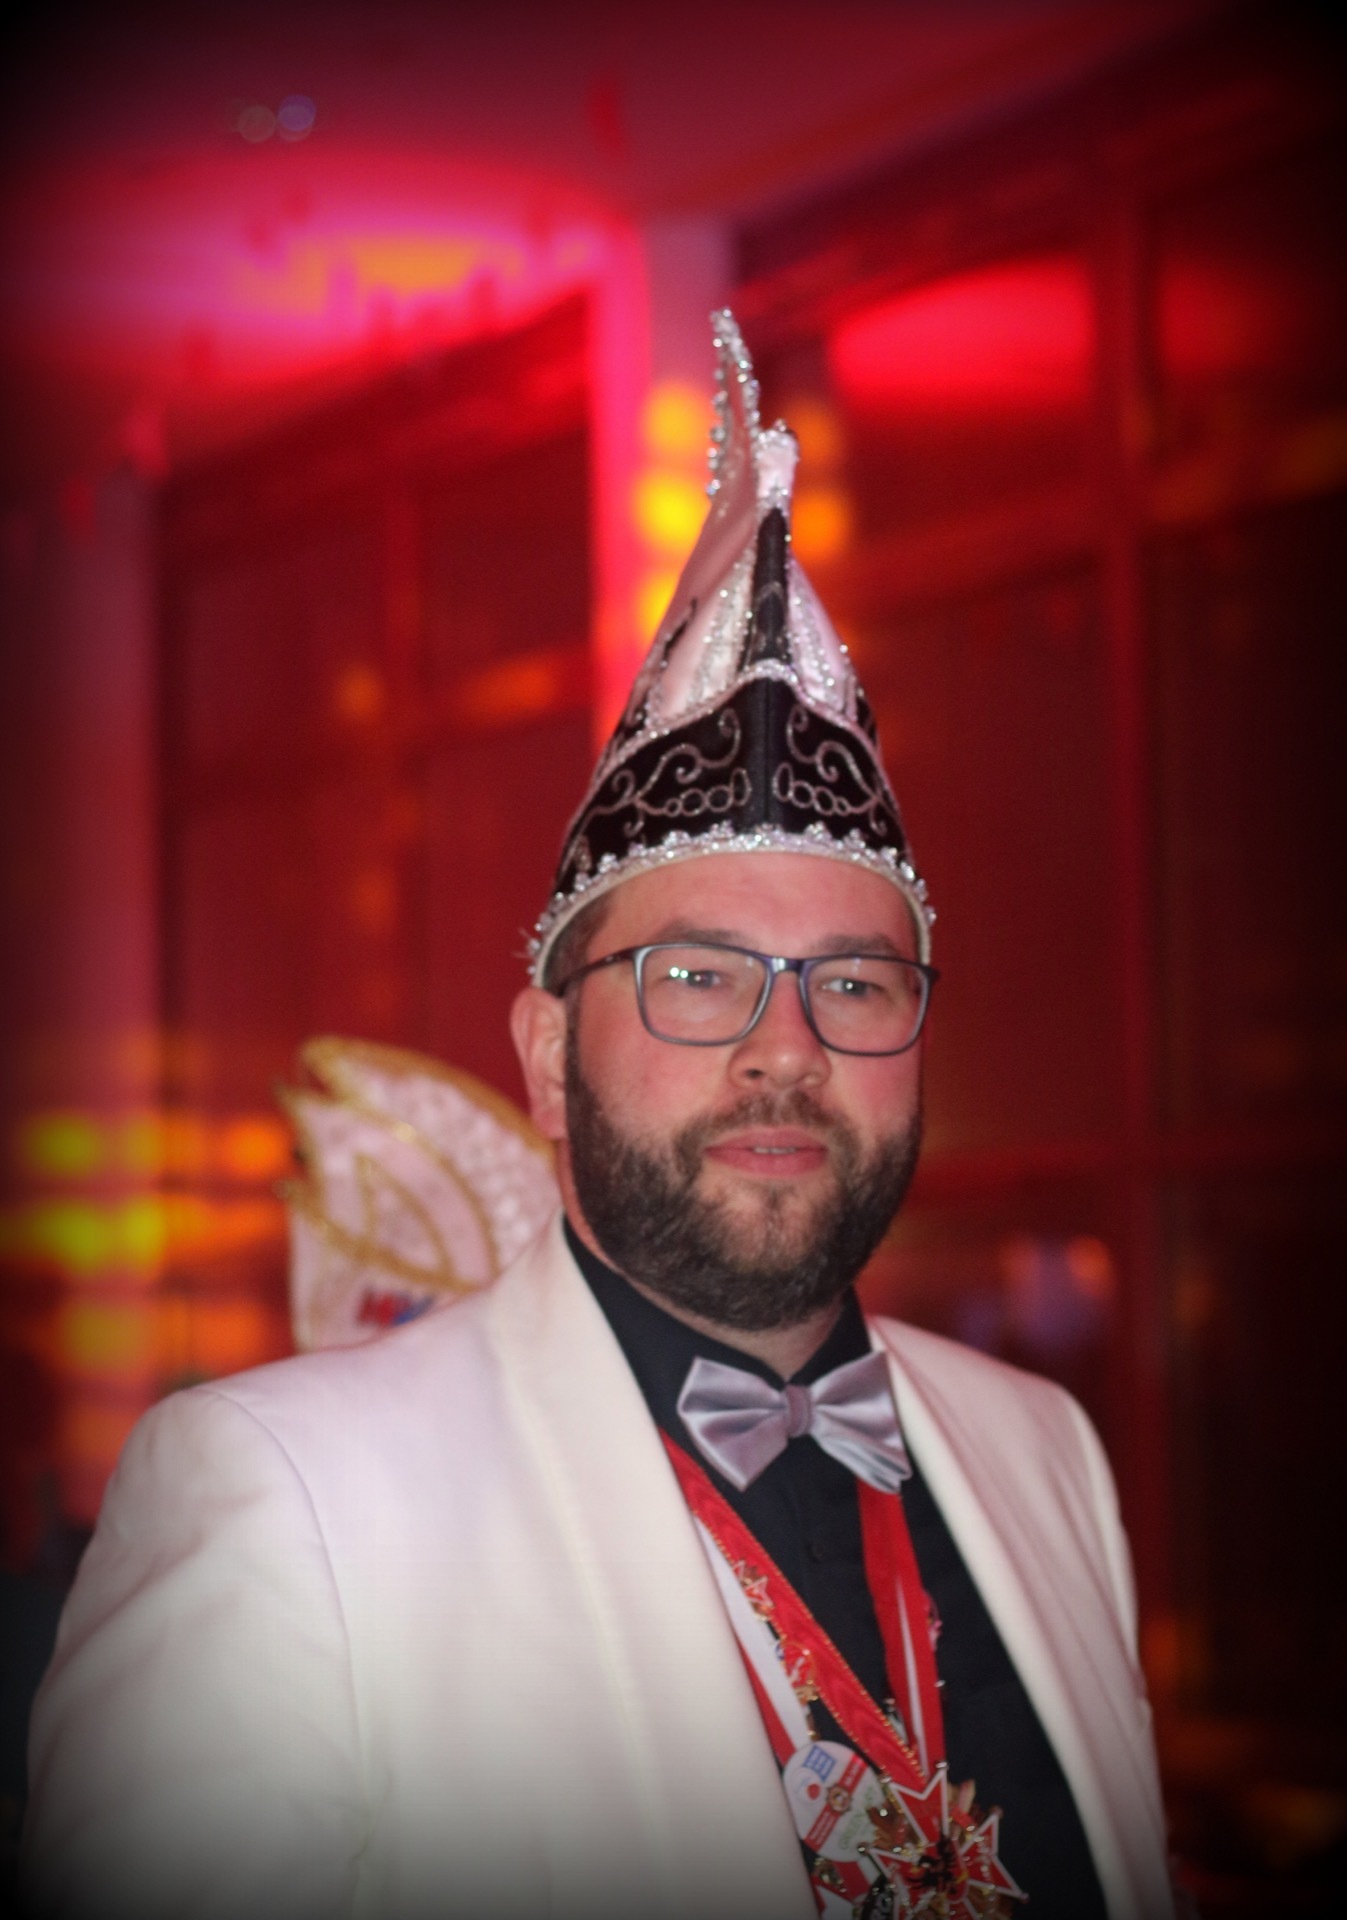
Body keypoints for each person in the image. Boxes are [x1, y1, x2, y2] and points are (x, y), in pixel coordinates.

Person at [23, 314, 1174, 1920]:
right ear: (547, 1054)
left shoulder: (1046, 1452)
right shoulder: (288, 1501)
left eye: (854, 983)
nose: (784, 1049)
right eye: (699, 978)